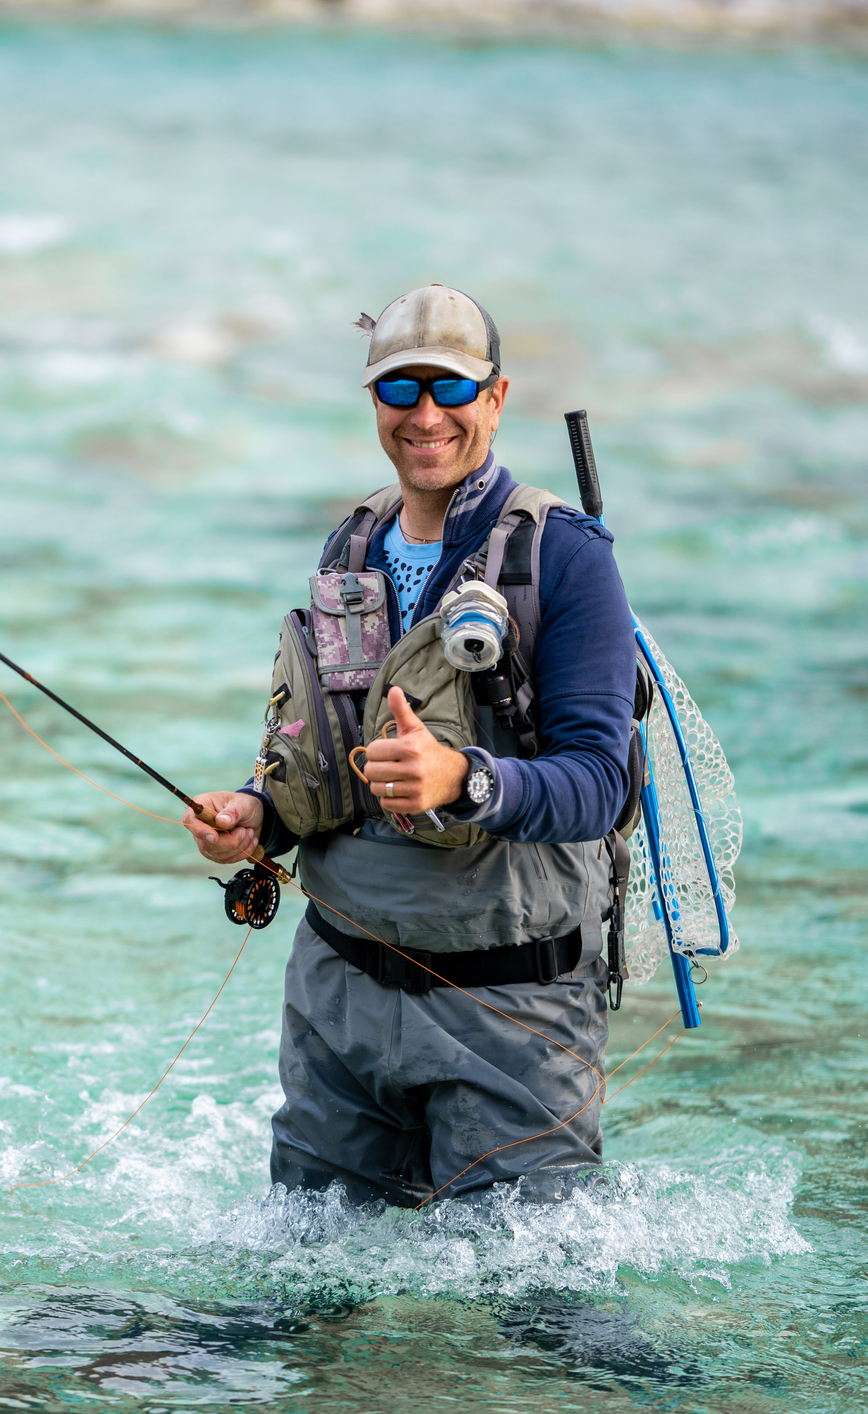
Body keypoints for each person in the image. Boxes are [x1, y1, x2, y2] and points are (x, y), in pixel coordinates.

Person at [184, 284, 638, 1208]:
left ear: (496, 399)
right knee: (308, 1303)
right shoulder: (348, 543)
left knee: (541, 1326)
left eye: (450, 390)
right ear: (373, 404)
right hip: (337, 996)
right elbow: (324, 748)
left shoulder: (568, 555)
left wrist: (464, 780)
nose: (425, 416)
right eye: (399, 392)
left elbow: (600, 782)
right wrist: (256, 813)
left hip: (511, 1008)